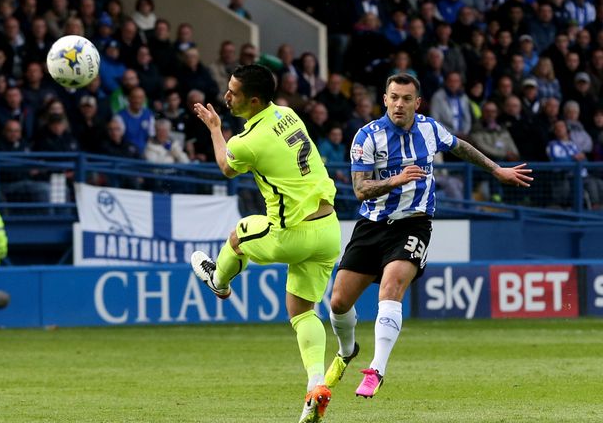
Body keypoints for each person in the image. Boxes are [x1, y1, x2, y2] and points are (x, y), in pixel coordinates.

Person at [325, 74, 533, 401]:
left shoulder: (430, 129)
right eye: (393, 97)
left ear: (416, 103)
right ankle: (347, 349)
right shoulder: (366, 138)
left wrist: (497, 170)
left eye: (406, 98)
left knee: (391, 286)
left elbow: (460, 146)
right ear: (384, 99)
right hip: (372, 224)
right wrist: (396, 180)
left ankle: (376, 369)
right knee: (337, 302)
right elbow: (360, 189)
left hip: (414, 223)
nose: (399, 104)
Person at [191, 64, 341, 423]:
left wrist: (215, 129)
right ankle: (316, 386)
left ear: (253, 100)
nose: (226, 96)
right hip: (329, 229)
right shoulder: (288, 114)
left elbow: (226, 167)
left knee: (238, 234)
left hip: (291, 234)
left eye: (234, 92)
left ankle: (220, 282)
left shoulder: (247, 142)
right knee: (302, 312)